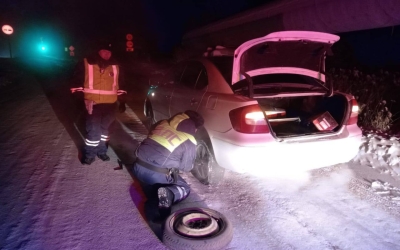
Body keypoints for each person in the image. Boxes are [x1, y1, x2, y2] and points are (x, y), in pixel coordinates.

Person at [132, 110, 204, 217]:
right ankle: (168, 194)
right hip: (155, 175)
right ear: (195, 128)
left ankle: (155, 189)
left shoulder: (162, 123)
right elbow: (186, 167)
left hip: (137, 167)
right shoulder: (189, 140)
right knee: (184, 187)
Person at [70, 42, 127, 165]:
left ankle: (102, 151)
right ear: (98, 51)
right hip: (93, 104)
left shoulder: (116, 66)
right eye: (104, 51)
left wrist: (122, 101)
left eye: (109, 52)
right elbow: (75, 83)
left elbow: (121, 85)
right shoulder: (86, 63)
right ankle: (90, 154)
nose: (107, 54)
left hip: (110, 105)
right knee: (93, 130)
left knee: (106, 131)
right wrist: (82, 99)